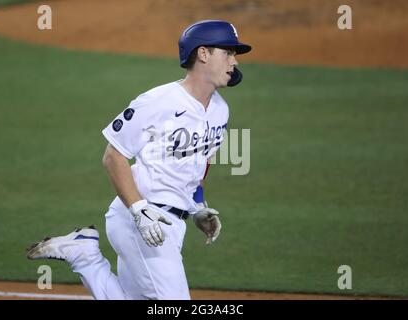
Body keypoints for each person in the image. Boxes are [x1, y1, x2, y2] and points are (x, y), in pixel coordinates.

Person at [27, 20, 252, 300]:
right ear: (203, 53)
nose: (235, 61)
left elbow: (199, 163)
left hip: (172, 226)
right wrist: (139, 210)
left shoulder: (220, 110)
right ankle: (85, 258)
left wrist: (197, 206)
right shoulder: (158, 101)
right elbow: (113, 156)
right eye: (228, 53)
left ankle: (85, 255)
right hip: (140, 218)